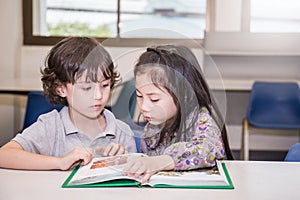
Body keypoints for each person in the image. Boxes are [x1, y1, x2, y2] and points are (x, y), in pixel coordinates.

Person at [0, 37, 136, 170]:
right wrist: (60, 162)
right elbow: (4, 155)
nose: (99, 96)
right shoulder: (51, 127)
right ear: (61, 89)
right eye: (86, 88)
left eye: (105, 85)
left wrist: (125, 163)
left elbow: (136, 182)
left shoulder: (122, 132)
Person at [123, 44, 233, 183]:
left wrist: (159, 162)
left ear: (185, 94)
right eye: (139, 96)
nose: (144, 106)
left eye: (154, 99)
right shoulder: (153, 126)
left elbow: (207, 149)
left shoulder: (201, 117)